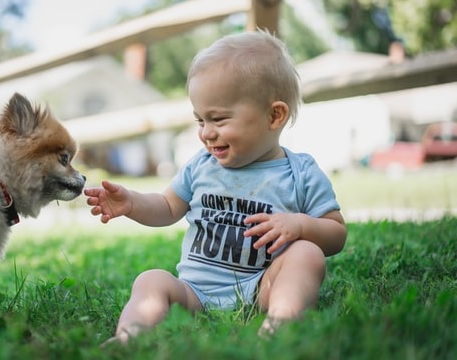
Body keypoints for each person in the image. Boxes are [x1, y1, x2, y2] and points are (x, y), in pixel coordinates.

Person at [84, 30, 347, 345]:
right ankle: (129, 337)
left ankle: (280, 323)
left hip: (262, 288)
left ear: (274, 115)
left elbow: (336, 233)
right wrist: (133, 203)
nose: (207, 133)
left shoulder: (300, 172)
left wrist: (300, 225)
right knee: (151, 279)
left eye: (219, 120)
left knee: (308, 254)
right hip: (194, 293)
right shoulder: (201, 165)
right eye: (200, 121)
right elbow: (168, 207)